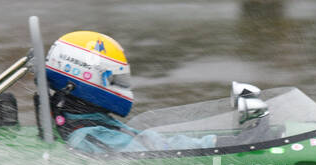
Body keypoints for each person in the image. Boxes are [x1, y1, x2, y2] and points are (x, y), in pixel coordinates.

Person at [45, 30, 213, 151]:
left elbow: (146, 140)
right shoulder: (91, 135)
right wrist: (211, 143)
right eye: (115, 79)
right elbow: (155, 149)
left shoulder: (88, 121)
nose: (122, 85)